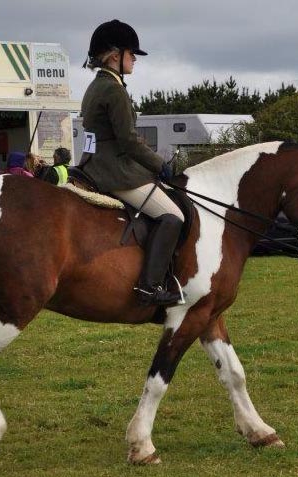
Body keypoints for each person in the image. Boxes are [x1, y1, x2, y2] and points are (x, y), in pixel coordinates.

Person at [78, 19, 184, 306]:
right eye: (131, 53)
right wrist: (158, 163)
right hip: (116, 172)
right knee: (173, 217)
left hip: (94, 166)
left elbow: (91, 136)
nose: (135, 59)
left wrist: (85, 163)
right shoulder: (114, 90)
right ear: (115, 56)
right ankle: (149, 287)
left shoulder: (94, 86)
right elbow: (128, 141)